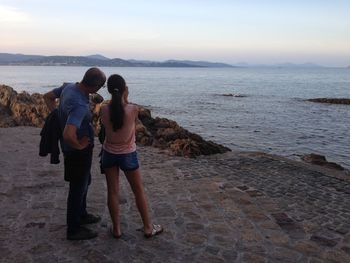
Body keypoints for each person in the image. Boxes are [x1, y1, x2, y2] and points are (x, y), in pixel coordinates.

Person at [43, 67, 106, 240]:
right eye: (102, 86)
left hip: (71, 149)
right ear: (96, 87)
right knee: (77, 188)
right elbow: (68, 134)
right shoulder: (79, 104)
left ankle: (82, 214)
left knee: (84, 182)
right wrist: (80, 145)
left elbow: (47, 96)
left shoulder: (69, 87)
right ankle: (73, 229)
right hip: (76, 151)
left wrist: (57, 114)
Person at [100, 74, 163, 238]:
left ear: (108, 90)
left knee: (112, 192)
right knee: (138, 191)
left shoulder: (103, 109)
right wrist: (125, 98)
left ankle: (116, 229)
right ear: (124, 90)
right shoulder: (133, 109)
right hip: (128, 154)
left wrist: (120, 97)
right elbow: (127, 114)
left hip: (109, 153)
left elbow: (111, 118)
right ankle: (148, 227)